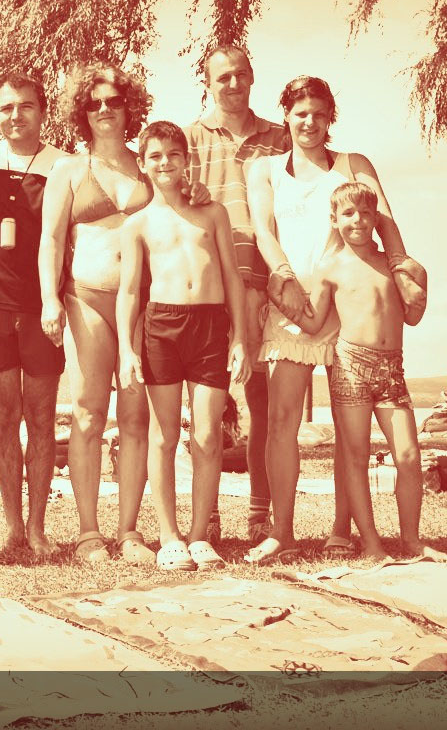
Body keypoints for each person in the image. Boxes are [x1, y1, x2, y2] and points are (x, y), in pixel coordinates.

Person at [245, 75, 411, 564]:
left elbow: (386, 223)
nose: (310, 123)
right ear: (286, 116)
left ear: (329, 117)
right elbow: (262, 230)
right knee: (281, 420)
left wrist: (403, 274)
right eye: (301, 114)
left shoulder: (353, 165)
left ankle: (342, 529)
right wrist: (283, 277)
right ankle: (282, 532)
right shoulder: (265, 170)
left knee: (348, 427)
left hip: (348, 308)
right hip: (292, 305)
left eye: (319, 114)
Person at [116, 121, 249, 571]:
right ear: (142, 163)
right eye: (155, 156)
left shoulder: (212, 214)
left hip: (210, 326)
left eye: (174, 154)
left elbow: (232, 277)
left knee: (208, 435)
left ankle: (199, 537)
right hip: (162, 327)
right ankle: (169, 536)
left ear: (186, 159)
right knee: (164, 435)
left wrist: (240, 337)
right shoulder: (137, 224)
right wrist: (126, 349)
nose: (165, 162)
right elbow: (129, 291)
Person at [39, 63, 156, 565]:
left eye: (113, 101)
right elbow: (50, 239)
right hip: (85, 297)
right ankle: (88, 532)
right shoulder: (69, 170)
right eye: (94, 103)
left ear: (130, 107)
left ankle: (129, 530)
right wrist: (49, 299)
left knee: (135, 416)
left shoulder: (149, 165)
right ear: (81, 112)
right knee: (88, 413)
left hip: (144, 303)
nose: (104, 109)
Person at [183, 43, 290, 547]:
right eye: (222, 76)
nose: (233, 84)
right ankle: (206, 515)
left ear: (252, 77)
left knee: (263, 404)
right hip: (208, 284)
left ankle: (259, 513)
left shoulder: (281, 137)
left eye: (241, 74)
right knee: (205, 405)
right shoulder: (187, 139)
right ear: (207, 83)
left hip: (268, 280)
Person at [295, 182, 429, 560]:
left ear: (376, 219)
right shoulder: (330, 268)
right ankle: (370, 543)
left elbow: (414, 317)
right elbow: (313, 321)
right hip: (351, 366)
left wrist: (422, 280)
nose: (358, 220)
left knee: (408, 456)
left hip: (392, 370)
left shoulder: (393, 265)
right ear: (334, 220)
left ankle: (411, 541)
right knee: (355, 457)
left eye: (366, 213)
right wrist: (282, 300)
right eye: (349, 213)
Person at [0, 71, 67, 558]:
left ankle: (38, 528)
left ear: (42, 112)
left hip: (44, 305)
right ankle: (11, 528)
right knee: (3, 417)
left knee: (41, 418)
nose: (15, 115)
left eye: (26, 106)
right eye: (6, 107)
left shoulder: (63, 165)